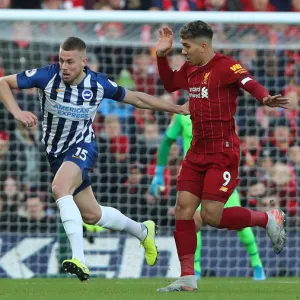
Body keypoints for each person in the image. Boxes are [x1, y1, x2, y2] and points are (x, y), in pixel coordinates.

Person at [0, 37, 189, 282]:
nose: (64, 66)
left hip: (83, 147)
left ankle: (79, 258)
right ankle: (143, 231)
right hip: (56, 154)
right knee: (92, 215)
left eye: (70, 61)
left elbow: (138, 99)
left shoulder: (98, 84)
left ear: (83, 62)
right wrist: (17, 112)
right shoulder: (46, 76)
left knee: (59, 188)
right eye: (61, 60)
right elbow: (3, 82)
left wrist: (178, 109)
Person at [155, 21, 289, 292]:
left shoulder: (226, 66)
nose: (183, 52)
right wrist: (161, 56)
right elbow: (170, 84)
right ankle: (187, 277)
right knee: (183, 209)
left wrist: (264, 98)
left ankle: (267, 218)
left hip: (222, 152)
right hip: (196, 152)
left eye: (187, 47)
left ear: (204, 46)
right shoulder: (190, 68)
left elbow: (248, 82)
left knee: (212, 216)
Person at [150, 113, 266, 280]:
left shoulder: (222, 110)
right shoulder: (182, 116)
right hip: (194, 177)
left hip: (219, 175)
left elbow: (234, 143)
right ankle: (195, 269)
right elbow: (167, 140)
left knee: (239, 223)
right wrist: (159, 172)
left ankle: (257, 264)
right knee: (193, 221)